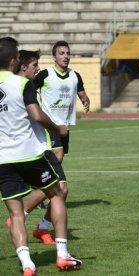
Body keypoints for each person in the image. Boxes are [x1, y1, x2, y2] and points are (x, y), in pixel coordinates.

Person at [0, 37, 82, 275]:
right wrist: (57, 127)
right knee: (57, 193)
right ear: (14, 60)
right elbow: (36, 115)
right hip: (30, 154)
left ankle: (27, 264)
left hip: (3, 160)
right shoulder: (21, 83)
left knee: (15, 214)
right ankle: (62, 255)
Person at [18, 41, 89, 244]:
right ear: (54, 56)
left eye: (68, 53)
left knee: (58, 175)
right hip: (50, 126)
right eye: (61, 53)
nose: (65, 56)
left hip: (64, 128)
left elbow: (81, 92)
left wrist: (85, 100)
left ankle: (42, 226)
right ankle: (24, 213)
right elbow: (27, 90)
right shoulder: (45, 75)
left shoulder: (75, 75)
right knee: (58, 179)